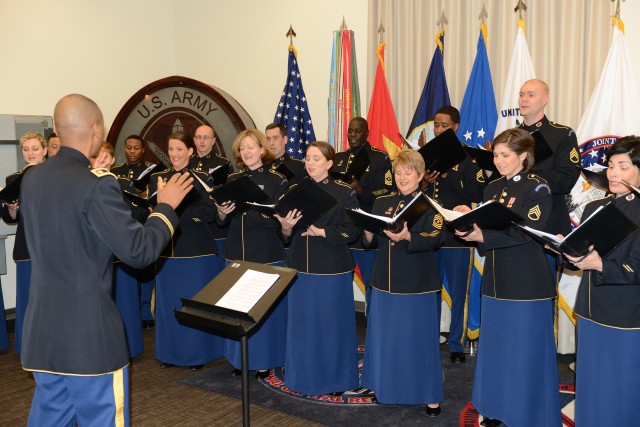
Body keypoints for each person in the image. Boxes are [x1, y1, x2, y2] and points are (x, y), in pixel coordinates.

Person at [20, 94, 192, 426]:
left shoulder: (32, 179)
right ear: (97, 130)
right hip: (88, 339)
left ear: (56, 129)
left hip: (42, 334)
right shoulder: (97, 186)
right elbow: (139, 252)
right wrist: (166, 208)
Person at [456, 128, 560, 427]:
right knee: (497, 350)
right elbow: (491, 229)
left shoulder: (537, 188)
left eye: (505, 155)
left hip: (527, 283)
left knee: (523, 351)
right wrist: (467, 219)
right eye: (496, 155)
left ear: (523, 156)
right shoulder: (491, 189)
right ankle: (496, 408)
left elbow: (523, 232)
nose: (498, 161)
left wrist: (481, 234)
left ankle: (526, 412)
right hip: (495, 281)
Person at [360, 150, 444, 416]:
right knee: (386, 339)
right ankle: (383, 386)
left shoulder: (431, 205)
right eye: (398, 172)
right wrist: (366, 232)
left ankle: (430, 395)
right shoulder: (381, 202)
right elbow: (369, 242)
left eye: (408, 172)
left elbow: (434, 239)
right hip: (383, 282)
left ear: (420, 176)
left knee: (417, 341)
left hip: (416, 283)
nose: (402, 177)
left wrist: (408, 237)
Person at [275, 141, 360, 395]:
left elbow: (353, 229)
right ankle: (301, 377)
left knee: (331, 326)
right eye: (308, 158)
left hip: (332, 269)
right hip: (300, 267)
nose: (310, 163)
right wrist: (286, 228)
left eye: (316, 158)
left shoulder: (344, 191)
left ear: (330, 164)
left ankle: (336, 380)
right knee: (302, 325)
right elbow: (284, 234)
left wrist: (323, 232)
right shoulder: (293, 189)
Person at [567, 137, 640, 426]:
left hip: (625, 317)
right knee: (592, 385)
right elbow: (580, 256)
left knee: (621, 389)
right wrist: (565, 249)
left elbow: (636, 268)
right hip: (589, 309)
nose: (613, 173)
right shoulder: (593, 207)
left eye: (623, 166)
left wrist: (599, 264)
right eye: (610, 165)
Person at [215, 129, 288, 378]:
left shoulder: (277, 180)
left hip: (265, 252)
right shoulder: (233, 179)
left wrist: (250, 209)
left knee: (262, 312)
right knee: (238, 309)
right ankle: (240, 359)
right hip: (236, 251)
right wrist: (223, 211)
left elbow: (278, 221)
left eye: (251, 147)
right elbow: (223, 221)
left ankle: (265, 360)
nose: (246, 152)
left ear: (261, 149)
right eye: (242, 148)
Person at [148, 130, 223, 370]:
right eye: (171, 149)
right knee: (169, 304)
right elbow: (150, 211)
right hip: (167, 251)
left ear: (191, 151)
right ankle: (169, 353)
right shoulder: (157, 179)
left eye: (180, 149)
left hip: (197, 252)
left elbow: (211, 214)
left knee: (194, 305)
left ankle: (197, 355)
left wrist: (177, 213)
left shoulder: (202, 178)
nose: (175, 154)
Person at [422, 106, 485, 363]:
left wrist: (448, 177)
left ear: (456, 127)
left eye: (444, 125)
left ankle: (457, 343)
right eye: (436, 124)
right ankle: (428, 336)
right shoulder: (427, 156)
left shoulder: (467, 158)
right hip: (430, 233)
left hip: (458, 235)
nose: (439, 129)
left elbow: (477, 193)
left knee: (460, 292)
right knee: (430, 288)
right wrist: (424, 181)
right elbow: (416, 195)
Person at [91, 141, 148, 359]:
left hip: (122, 254)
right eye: (96, 158)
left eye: (105, 158)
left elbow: (139, 215)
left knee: (126, 303)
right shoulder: (86, 183)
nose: (100, 162)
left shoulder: (123, 182)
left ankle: (130, 348)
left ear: (113, 160)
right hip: (97, 255)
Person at [517, 79, 580, 272]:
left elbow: (567, 179)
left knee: (543, 291)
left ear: (545, 99)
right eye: (521, 95)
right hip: (514, 221)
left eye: (531, 94)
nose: (524, 99)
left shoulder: (562, 134)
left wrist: (529, 172)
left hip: (548, 223)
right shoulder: (510, 137)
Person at [334, 117, 394, 312]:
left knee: (371, 283)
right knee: (341, 283)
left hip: (367, 229)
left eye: (357, 131)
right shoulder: (338, 158)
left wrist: (360, 190)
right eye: (350, 131)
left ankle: (372, 330)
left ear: (367, 133)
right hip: (343, 229)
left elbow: (386, 190)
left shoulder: (379, 157)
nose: (352, 135)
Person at [1, 131, 47, 354]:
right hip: (27, 246)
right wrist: (11, 208)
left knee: (52, 298)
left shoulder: (57, 176)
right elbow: (9, 218)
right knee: (28, 300)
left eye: (35, 148)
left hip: (53, 245)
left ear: (45, 150)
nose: (30, 153)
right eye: (26, 149)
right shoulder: (13, 179)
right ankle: (29, 347)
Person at [112, 134, 159, 330]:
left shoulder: (153, 172)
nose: (132, 151)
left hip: (144, 223)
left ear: (142, 150)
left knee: (146, 271)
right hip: (123, 225)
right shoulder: (116, 172)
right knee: (127, 273)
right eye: (128, 147)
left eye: (136, 148)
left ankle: (146, 312)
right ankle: (129, 313)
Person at [189, 124, 233, 272]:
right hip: (193, 224)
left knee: (217, 274)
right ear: (194, 140)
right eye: (199, 137)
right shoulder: (186, 163)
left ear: (213, 141)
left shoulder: (223, 164)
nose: (202, 141)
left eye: (206, 137)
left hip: (216, 226)